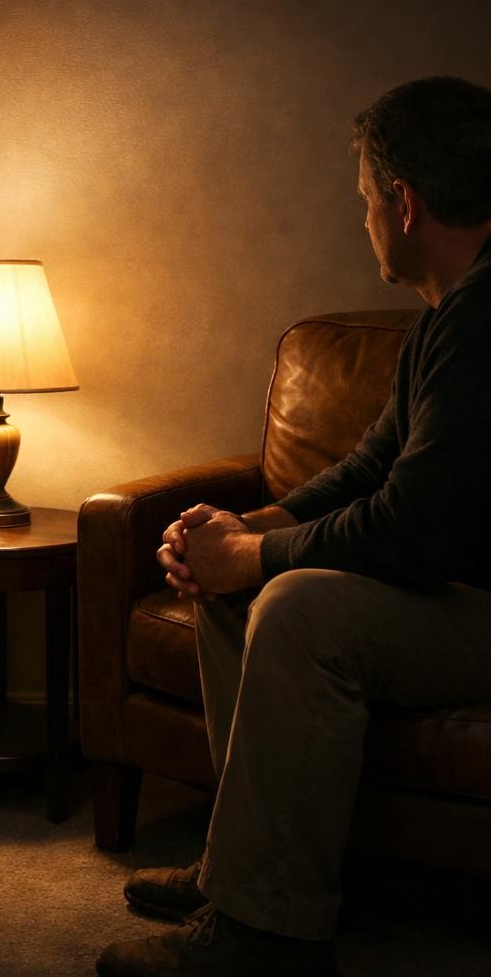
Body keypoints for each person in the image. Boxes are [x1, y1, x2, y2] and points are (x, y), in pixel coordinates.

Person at [96, 75, 491, 977]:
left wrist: (256, 557)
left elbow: (413, 528)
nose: (364, 221)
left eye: (365, 201)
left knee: (298, 606)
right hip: (457, 595)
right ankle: (245, 872)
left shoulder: (484, 322)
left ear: (404, 203)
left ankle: (266, 942)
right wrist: (241, 527)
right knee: (239, 592)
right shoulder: (447, 317)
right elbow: (369, 468)